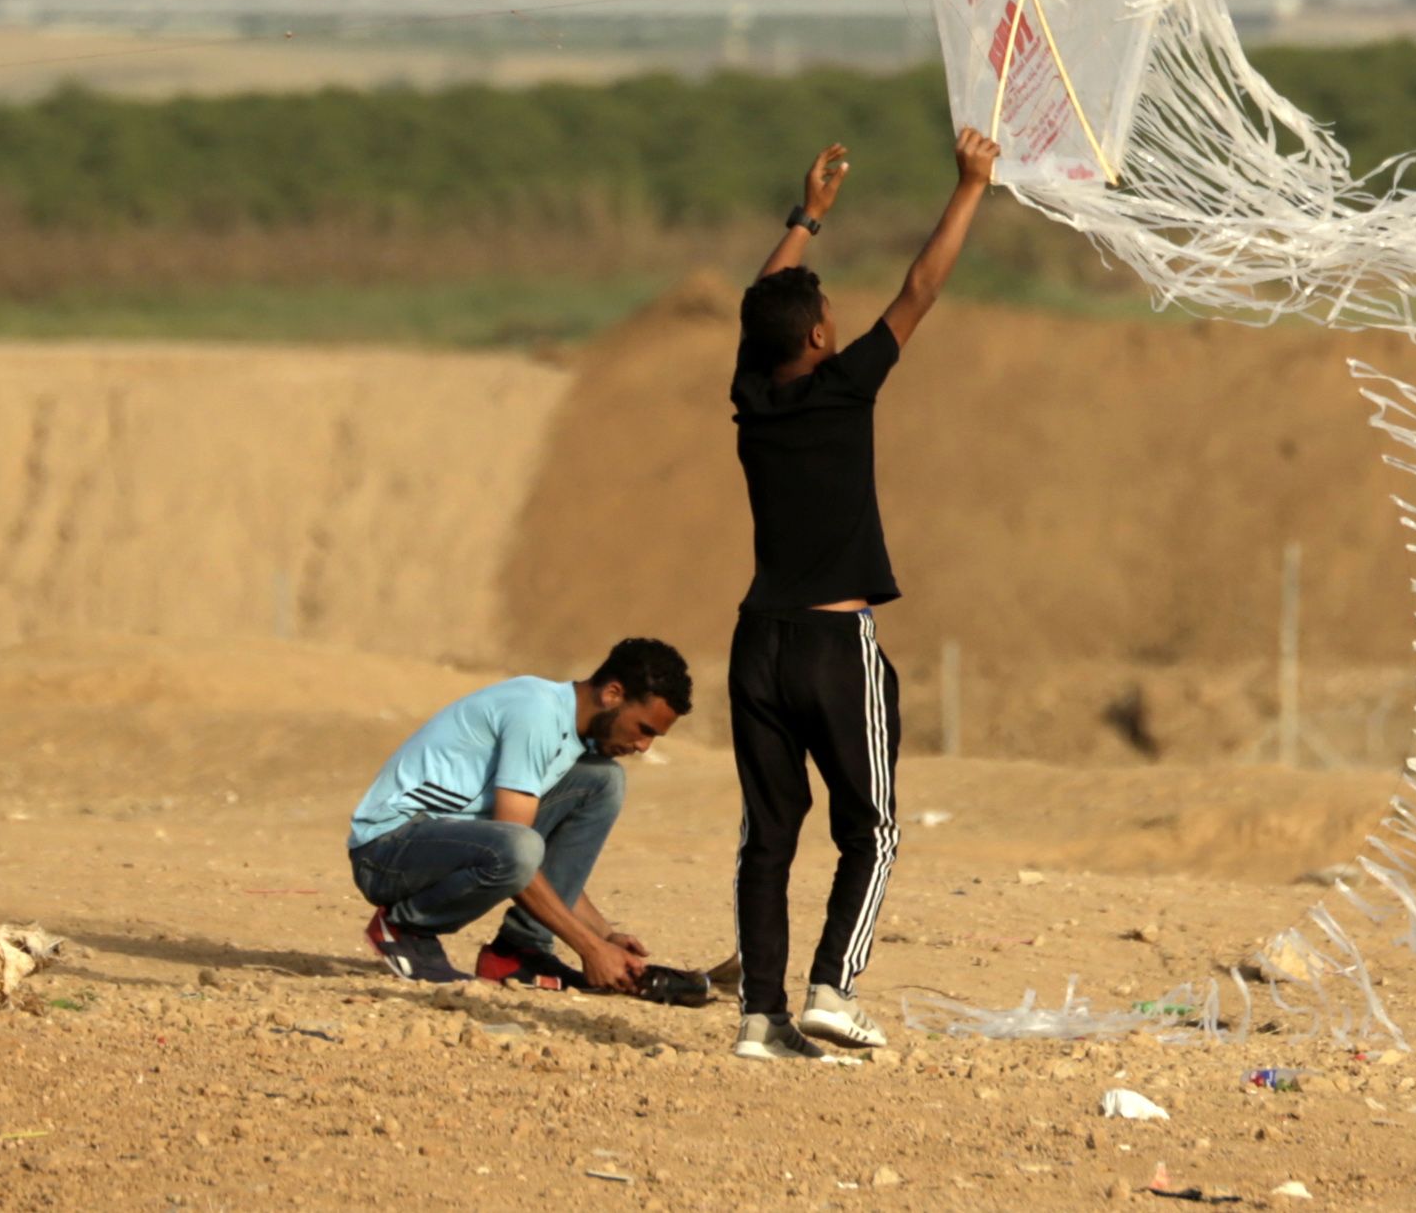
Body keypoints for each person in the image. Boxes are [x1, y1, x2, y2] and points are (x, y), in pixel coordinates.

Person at [724, 126, 999, 1061]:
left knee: (768, 837)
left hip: (756, 641)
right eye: (826, 313)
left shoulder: (753, 396)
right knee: (870, 832)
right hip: (835, 647)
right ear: (818, 336)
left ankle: (760, 1019)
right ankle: (832, 991)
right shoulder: (844, 387)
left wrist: (805, 219)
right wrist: (970, 186)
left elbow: (758, 312)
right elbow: (919, 289)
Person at [350, 636, 704, 1001]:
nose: (644, 747)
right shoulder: (537, 712)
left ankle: (519, 953)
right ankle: (406, 928)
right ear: (612, 694)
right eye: (644, 729)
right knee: (520, 844)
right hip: (387, 851)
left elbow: (535, 866)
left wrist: (605, 935)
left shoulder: (567, 731)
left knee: (602, 779)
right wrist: (590, 948)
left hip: (448, 842)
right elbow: (516, 852)